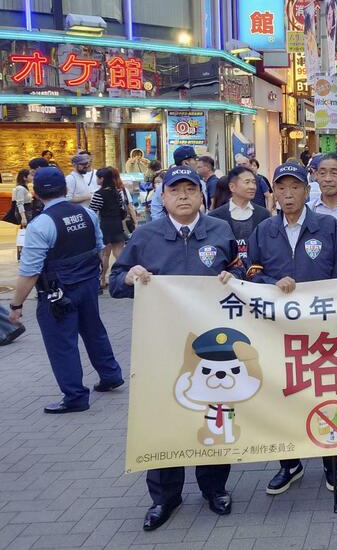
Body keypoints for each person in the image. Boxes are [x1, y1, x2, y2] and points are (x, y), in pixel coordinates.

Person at [109, 165, 243, 531]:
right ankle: (165, 497)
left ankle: (214, 488)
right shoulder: (146, 235)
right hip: (162, 347)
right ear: (163, 196)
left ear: (202, 195)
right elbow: (115, 283)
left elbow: (242, 272)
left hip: (214, 348)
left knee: (215, 414)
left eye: (190, 189)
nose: (183, 196)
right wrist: (130, 277)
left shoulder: (219, 229)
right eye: (175, 190)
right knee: (164, 419)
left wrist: (237, 277)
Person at [245, 162, 337, 496]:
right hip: (277, 331)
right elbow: (251, 273)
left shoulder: (328, 226)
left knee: (325, 393)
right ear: (273, 192)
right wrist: (273, 282)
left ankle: (331, 460)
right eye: (281, 188)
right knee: (282, 395)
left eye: (295, 188)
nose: (288, 195)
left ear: (308, 191)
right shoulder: (264, 230)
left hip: (322, 329)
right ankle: (288, 464)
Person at [8, 167, 123, 413]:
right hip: (88, 285)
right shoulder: (86, 213)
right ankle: (111, 375)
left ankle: (75, 397)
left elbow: (30, 271)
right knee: (94, 331)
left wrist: (16, 305)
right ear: (64, 188)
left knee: (62, 344)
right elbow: (99, 247)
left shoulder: (41, 225)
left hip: (56, 294)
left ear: (36, 193)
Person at [208, 166, 270, 266]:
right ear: (232, 187)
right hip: (228, 274)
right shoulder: (216, 216)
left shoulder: (263, 215)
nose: (252, 186)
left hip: (258, 274)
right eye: (247, 182)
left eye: (254, 182)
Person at [89, 168, 127, 291]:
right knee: (119, 252)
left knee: (105, 254)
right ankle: (123, 274)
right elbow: (122, 207)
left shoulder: (98, 194)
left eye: (98, 177)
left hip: (105, 224)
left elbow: (92, 211)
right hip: (117, 224)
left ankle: (103, 278)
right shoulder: (117, 192)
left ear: (102, 179)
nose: (97, 180)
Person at [150, 146, 207, 220]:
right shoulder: (164, 185)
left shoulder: (200, 183)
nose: (197, 163)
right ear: (186, 163)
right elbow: (156, 212)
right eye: (195, 159)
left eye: (190, 189)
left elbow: (156, 212)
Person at [12, 169, 32, 260]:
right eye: (30, 175)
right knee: (24, 233)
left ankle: (23, 253)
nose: (32, 177)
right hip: (24, 212)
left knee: (25, 233)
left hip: (26, 211)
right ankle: (23, 254)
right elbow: (19, 203)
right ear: (24, 177)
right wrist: (23, 218)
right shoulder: (20, 188)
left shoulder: (25, 187)